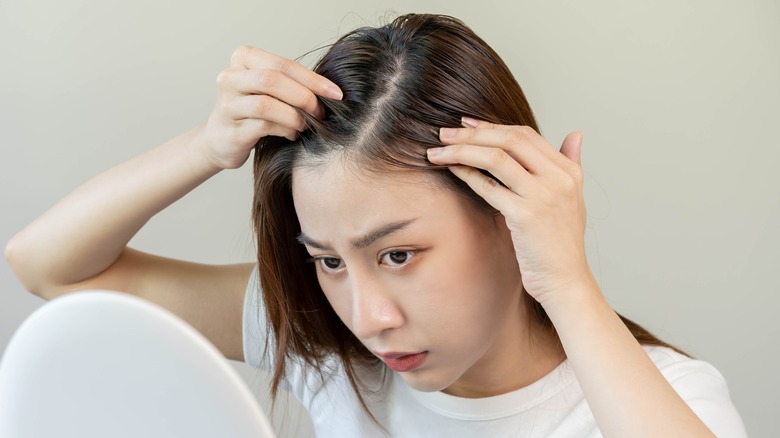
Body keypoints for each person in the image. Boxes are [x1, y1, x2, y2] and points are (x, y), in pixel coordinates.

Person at [6, 13, 745, 437]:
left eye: (396, 254)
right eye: (328, 261)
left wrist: (566, 281)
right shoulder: (330, 350)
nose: (368, 317)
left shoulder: (658, 399)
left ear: (507, 210)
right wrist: (205, 148)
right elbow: (50, 269)